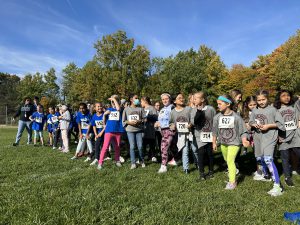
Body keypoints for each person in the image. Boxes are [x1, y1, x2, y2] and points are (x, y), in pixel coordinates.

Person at [249, 90, 285, 196]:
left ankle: (278, 186)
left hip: (270, 137)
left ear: (267, 98)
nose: (261, 102)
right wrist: (254, 124)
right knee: (259, 158)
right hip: (258, 138)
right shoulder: (255, 110)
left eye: (263, 99)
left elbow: (281, 124)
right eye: (259, 100)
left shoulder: (273, 110)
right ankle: (267, 175)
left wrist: (268, 126)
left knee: (268, 159)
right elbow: (251, 122)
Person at [212, 95, 249, 190]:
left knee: (230, 161)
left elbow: (243, 130)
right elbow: (214, 130)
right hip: (223, 143)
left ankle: (232, 182)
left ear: (228, 104)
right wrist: (214, 142)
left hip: (235, 142)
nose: (218, 106)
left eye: (220, 104)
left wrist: (244, 140)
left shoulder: (236, 117)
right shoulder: (217, 117)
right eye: (217, 104)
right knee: (227, 160)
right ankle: (233, 171)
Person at [274, 90, 300, 187]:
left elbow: (298, 120)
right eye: (283, 96)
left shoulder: (294, 108)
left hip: (295, 135)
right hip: (283, 137)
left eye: (288, 95)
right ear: (279, 98)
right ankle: (287, 177)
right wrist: (277, 136)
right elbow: (275, 124)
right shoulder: (276, 110)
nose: (286, 97)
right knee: (285, 157)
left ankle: (296, 168)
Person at [191, 91, 216, 180]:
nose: (194, 100)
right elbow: (193, 122)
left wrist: (215, 135)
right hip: (199, 135)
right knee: (201, 153)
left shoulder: (210, 109)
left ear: (202, 99)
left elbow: (215, 121)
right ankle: (201, 174)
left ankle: (211, 171)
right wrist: (198, 112)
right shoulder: (193, 110)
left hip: (210, 135)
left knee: (209, 154)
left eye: (195, 98)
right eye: (193, 99)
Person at [169, 93, 196, 174]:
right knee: (185, 151)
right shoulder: (173, 112)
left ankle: (197, 163)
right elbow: (171, 123)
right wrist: (172, 126)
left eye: (182, 98)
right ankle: (186, 168)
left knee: (195, 150)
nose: (182, 99)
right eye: (179, 98)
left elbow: (193, 120)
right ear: (174, 101)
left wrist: (191, 124)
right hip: (181, 135)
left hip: (191, 133)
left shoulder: (188, 109)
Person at [98, 95, 125, 170]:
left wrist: (114, 99)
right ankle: (100, 162)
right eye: (112, 101)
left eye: (114, 101)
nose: (113, 102)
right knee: (105, 147)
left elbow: (118, 108)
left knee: (117, 147)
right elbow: (104, 118)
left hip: (118, 130)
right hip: (109, 130)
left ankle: (117, 160)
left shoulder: (121, 109)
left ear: (118, 101)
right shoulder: (109, 109)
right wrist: (104, 116)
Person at [155, 93, 176, 173]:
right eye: (163, 99)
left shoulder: (172, 107)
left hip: (169, 130)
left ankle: (163, 166)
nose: (164, 100)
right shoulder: (162, 109)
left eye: (166, 99)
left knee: (163, 148)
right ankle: (176, 159)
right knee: (171, 148)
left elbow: (174, 119)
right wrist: (157, 123)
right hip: (162, 131)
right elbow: (161, 119)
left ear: (170, 99)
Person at [123, 94, 145, 169]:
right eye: (136, 98)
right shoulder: (126, 109)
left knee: (140, 146)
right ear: (131, 100)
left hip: (139, 130)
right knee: (132, 146)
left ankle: (141, 160)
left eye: (138, 98)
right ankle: (133, 163)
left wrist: (139, 121)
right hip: (130, 130)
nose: (137, 100)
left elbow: (144, 119)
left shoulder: (140, 109)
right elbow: (124, 120)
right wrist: (130, 122)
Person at [141, 96, 158, 162]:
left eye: (141, 101)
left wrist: (148, 117)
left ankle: (153, 156)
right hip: (143, 129)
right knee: (143, 144)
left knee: (151, 143)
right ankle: (142, 157)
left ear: (145, 101)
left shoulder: (152, 108)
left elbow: (156, 117)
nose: (141, 103)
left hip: (150, 129)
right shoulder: (141, 109)